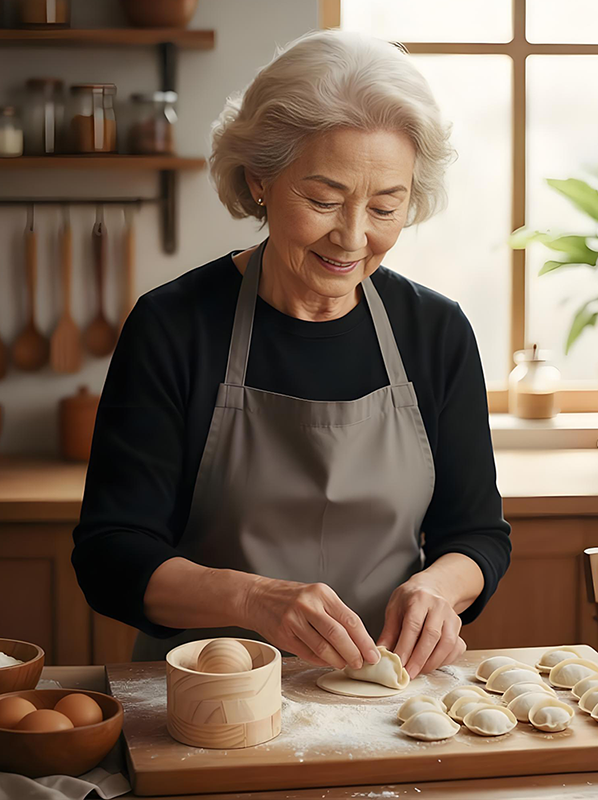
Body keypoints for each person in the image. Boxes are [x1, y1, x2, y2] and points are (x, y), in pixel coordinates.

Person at [71, 28, 511, 679]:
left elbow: (476, 534)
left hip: (385, 700)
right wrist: (254, 599)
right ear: (260, 182)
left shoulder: (436, 332)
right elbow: (111, 554)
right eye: (323, 199)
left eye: (386, 206)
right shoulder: (173, 326)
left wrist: (437, 590)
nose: (354, 237)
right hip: (207, 696)